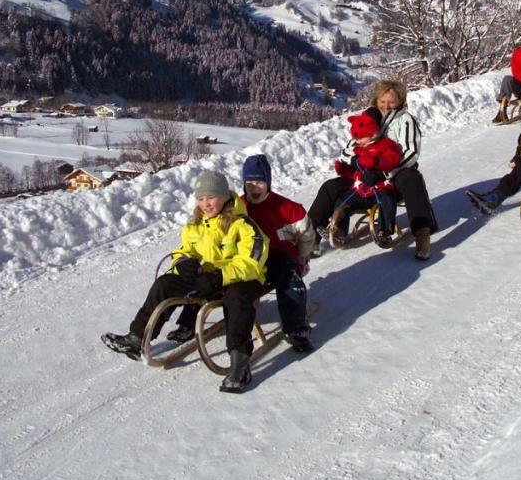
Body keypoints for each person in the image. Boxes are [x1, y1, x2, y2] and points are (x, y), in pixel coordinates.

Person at [102, 171, 268, 393]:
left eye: (211, 198)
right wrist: (181, 263)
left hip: (240, 280)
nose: (205, 204)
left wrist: (220, 276)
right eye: (200, 199)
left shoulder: (243, 224)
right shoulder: (195, 225)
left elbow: (252, 260)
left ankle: (240, 363)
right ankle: (137, 337)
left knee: (237, 298)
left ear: (224, 196)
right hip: (206, 281)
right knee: (165, 284)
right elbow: (183, 250)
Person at [169, 154, 318, 353]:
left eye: (260, 182)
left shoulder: (288, 208)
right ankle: (188, 323)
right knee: (209, 273)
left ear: (268, 182)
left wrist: (301, 257)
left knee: (289, 277)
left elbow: (307, 235)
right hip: (243, 259)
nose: (255, 188)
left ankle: (296, 329)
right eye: (250, 182)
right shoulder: (236, 207)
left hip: (277, 258)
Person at [308, 79, 438, 260]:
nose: (386, 106)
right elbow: (350, 148)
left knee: (411, 178)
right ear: (376, 101)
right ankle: (310, 236)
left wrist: (383, 172)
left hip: (394, 175)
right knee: (331, 186)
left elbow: (411, 152)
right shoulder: (369, 120)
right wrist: (354, 160)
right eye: (382, 102)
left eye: (391, 102)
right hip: (364, 175)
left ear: (400, 102)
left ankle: (422, 232)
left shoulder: (405, 121)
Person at [329, 108, 403, 248]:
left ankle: (384, 231)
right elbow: (357, 172)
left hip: (380, 187)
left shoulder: (386, 144)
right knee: (342, 200)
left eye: (361, 138)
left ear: (373, 133)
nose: (357, 141)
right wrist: (344, 170)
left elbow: (393, 160)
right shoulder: (358, 150)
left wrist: (376, 162)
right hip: (361, 191)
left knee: (387, 199)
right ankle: (339, 230)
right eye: (356, 138)